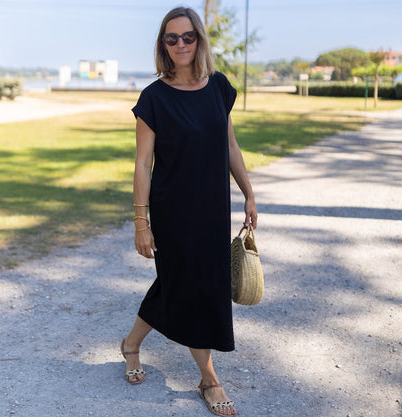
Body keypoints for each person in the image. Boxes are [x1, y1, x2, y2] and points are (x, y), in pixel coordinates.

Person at [121, 7, 257, 416]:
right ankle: (209, 379)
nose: (180, 44)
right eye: (171, 38)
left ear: (199, 39)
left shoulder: (219, 87)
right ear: (163, 45)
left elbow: (229, 146)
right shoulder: (153, 98)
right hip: (173, 212)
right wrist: (141, 222)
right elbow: (143, 163)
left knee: (178, 283)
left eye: (187, 36)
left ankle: (131, 344)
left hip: (213, 209)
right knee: (198, 288)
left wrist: (249, 193)